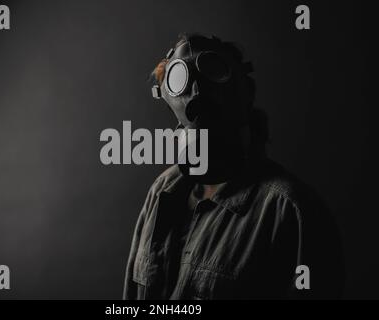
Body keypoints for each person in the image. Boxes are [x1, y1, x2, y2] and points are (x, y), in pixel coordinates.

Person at [123, 33, 344, 299]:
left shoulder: (290, 211)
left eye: (214, 71)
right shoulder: (164, 191)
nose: (197, 92)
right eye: (179, 79)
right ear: (167, 97)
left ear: (246, 91)